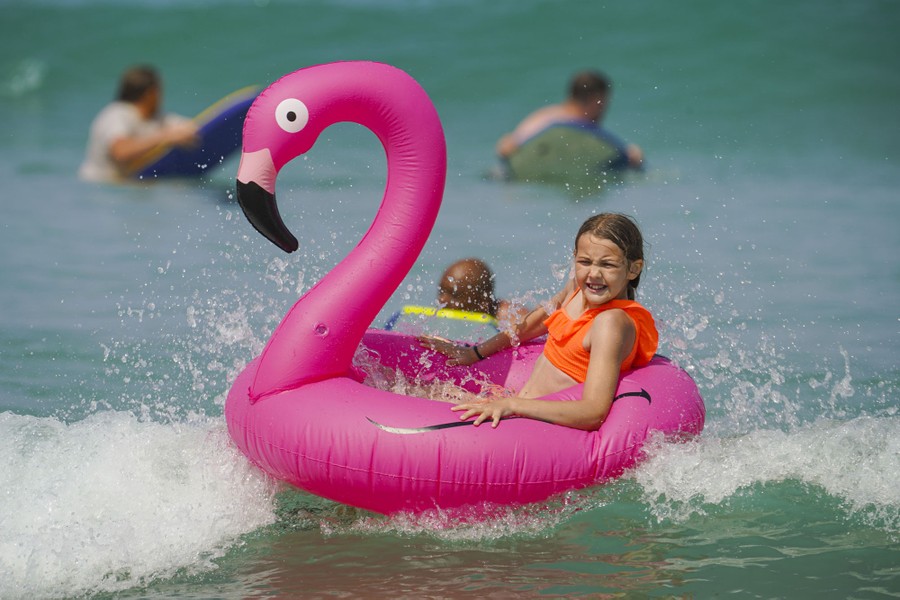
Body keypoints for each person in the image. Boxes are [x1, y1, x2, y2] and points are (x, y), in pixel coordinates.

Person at [420, 213, 657, 431]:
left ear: (633, 269)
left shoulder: (611, 323)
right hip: (521, 404)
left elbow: (593, 411)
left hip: (537, 426)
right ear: (574, 258)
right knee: (420, 390)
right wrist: (476, 353)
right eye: (585, 262)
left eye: (607, 265)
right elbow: (542, 318)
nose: (594, 274)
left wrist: (513, 405)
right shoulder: (578, 288)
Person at [495, 70, 643, 169]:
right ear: (595, 100)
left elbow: (505, 146)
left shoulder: (544, 116)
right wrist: (631, 156)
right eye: (604, 103)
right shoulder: (588, 132)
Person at [79, 65, 199, 183]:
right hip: (99, 189)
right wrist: (165, 137)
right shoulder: (116, 114)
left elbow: (191, 128)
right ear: (150, 93)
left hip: (124, 188)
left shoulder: (156, 118)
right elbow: (121, 152)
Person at [437, 258, 521, 324]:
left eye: (454, 295)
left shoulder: (510, 318)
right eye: (441, 291)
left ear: (483, 302)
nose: (442, 299)